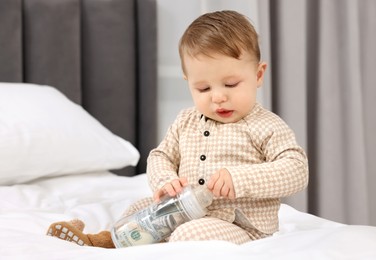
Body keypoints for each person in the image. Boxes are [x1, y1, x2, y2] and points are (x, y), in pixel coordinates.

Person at [46, 10, 309, 247]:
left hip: (240, 225)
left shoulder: (266, 126)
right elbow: (161, 156)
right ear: (189, 82)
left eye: (230, 84)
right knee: (137, 210)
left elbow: (296, 169)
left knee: (188, 236)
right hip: (181, 209)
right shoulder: (186, 121)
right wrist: (166, 181)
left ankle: (135, 242)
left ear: (258, 75)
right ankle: (95, 240)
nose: (217, 97)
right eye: (203, 88)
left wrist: (239, 179)